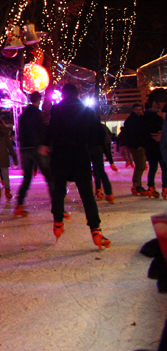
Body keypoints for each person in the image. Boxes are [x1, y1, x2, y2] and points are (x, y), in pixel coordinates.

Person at [39, 82, 110, 249]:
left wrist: (45, 144)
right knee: (87, 195)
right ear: (78, 94)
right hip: (80, 155)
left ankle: (58, 222)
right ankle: (95, 230)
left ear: (63, 95)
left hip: (61, 156)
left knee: (58, 190)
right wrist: (93, 146)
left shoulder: (56, 109)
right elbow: (99, 133)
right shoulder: (87, 111)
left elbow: (52, 129)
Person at [14, 91, 49, 217]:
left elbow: (20, 133)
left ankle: (19, 205)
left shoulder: (22, 115)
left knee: (27, 178)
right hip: (36, 148)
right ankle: (58, 206)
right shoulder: (38, 114)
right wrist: (44, 144)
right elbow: (42, 130)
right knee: (49, 176)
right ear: (39, 100)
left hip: (25, 149)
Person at [142, 90, 166, 198]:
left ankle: (151, 187)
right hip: (159, 148)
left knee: (153, 168)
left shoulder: (143, 120)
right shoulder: (159, 118)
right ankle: (165, 188)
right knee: (164, 168)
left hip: (151, 148)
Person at [121, 103, 148, 195]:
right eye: (136, 110)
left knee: (141, 165)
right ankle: (136, 185)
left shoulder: (141, 119)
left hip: (139, 145)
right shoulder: (131, 121)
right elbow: (132, 135)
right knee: (140, 165)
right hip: (136, 146)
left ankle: (137, 184)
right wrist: (137, 145)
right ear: (133, 110)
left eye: (140, 110)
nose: (138, 111)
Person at [92, 122, 117, 202]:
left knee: (94, 171)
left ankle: (98, 189)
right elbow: (104, 141)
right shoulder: (100, 126)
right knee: (100, 170)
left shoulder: (83, 125)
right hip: (97, 149)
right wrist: (111, 161)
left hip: (87, 149)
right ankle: (108, 193)